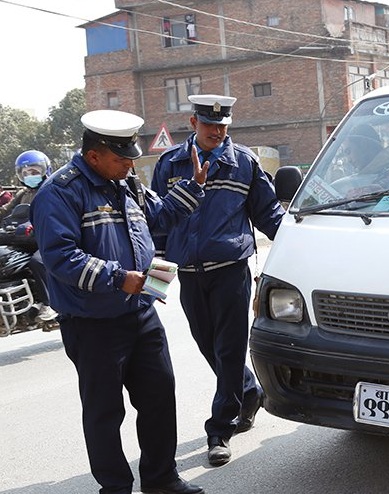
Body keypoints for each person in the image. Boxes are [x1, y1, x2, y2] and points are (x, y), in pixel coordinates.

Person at [29, 109, 207, 494]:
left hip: (140, 314)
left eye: (132, 158)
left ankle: (161, 479)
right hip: (92, 323)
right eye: (122, 158)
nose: (130, 165)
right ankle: (114, 488)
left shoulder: (127, 185)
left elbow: (160, 217)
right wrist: (117, 277)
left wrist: (192, 187)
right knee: (105, 413)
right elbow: (60, 257)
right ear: (94, 155)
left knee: (160, 397)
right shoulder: (60, 192)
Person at [151, 94, 285, 467]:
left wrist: (299, 249)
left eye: (223, 126)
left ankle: (219, 429)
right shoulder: (169, 163)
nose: (217, 132)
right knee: (207, 344)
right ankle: (247, 391)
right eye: (210, 125)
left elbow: (269, 214)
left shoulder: (244, 163)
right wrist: (156, 282)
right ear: (193, 124)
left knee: (228, 349)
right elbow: (159, 224)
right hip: (190, 274)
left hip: (230, 271)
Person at [2, 150, 58, 322]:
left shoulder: (51, 190)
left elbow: (52, 213)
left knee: (38, 261)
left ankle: (49, 304)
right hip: (23, 238)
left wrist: (31, 225)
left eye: (34, 172)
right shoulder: (21, 193)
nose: (29, 175)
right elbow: (5, 211)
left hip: (47, 237)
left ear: (44, 171)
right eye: (25, 173)